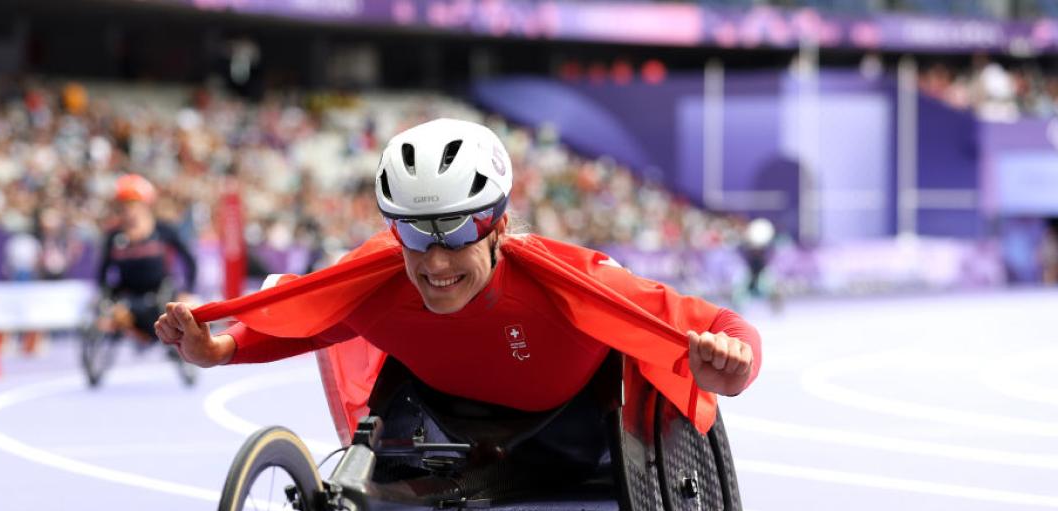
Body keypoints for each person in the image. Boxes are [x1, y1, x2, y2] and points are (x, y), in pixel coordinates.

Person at [156, 119, 760, 433]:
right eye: (416, 235)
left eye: (457, 234)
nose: (436, 263)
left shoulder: (570, 279)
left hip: (581, 423)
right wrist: (220, 349)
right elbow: (310, 320)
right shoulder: (378, 278)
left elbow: (722, 325)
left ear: (497, 226)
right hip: (449, 430)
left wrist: (732, 367)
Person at [97, 174, 198, 344]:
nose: (128, 211)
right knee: (114, 313)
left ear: (145, 204)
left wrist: (187, 291)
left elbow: (190, 262)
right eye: (123, 206)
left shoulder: (163, 230)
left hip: (160, 293)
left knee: (184, 309)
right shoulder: (113, 237)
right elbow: (102, 273)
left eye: (132, 204)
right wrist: (107, 300)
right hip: (128, 296)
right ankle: (135, 331)